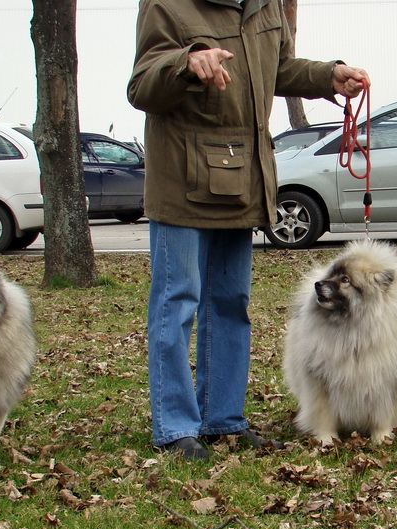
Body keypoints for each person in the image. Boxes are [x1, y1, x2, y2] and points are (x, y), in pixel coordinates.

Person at [127, 0, 368, 460]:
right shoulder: (167, 4)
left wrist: (327, 75)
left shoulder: (268, 5)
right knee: (176, 304)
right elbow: (142, 86)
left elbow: (277, 68)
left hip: (242, 176)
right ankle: (176, 428)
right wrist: (185, 63)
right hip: (181, 179)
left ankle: (222, 420)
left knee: (231, 304)